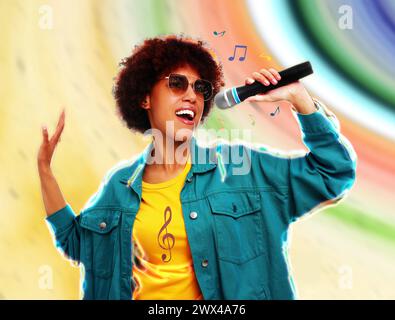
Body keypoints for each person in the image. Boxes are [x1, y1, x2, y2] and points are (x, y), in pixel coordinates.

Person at [37, 34, 357, 300]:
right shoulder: (120, 186)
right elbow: (78, 243)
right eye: (177, 83)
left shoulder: (242, 170)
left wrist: (299, 100)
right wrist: (45, 171)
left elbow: (333, 174)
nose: (192, 95)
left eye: (201, 88)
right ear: (145, 98)